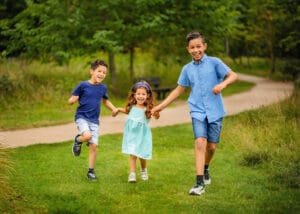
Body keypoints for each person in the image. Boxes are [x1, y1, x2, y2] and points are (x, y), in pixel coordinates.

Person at [151, 31, 238, 195]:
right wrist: (160, 107)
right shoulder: (187, 69)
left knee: (211, 147)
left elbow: (233, 75)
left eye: (199, 46)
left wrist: (223, 85)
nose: (196, 50)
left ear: (204, 46)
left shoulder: (214, 63)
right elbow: (178, 90)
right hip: (197, 110)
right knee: (200, 143)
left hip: (215, 111)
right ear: (188, 49)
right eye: (192, 47)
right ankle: (199, 184)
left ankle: (206, 167)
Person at [68, 59, 118, 180]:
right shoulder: (83, 85)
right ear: (92, 71)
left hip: (94, 120)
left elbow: (105, 100)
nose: (101, 74)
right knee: (87, 136)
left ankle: (90, 172)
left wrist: (113, 109)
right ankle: (78, 140)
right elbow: (72, 99)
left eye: (104, 72)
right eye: (99, 71)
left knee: (94, 146)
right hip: (82, 117)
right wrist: (72, 100)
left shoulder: (102, 88)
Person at [118, 81, 159, 183]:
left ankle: (144, 170)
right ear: (134, 95)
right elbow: (126, 111)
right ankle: (132, 174)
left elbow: (157, 117)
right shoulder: (131, 107)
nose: (141, 96)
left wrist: (156, 112)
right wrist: (118, 109)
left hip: (143, 136)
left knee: (141, 155)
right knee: (133, 153)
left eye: (143, 94)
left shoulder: (148, 109)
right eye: (138, 94)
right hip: (132, 134)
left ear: (148, 95)